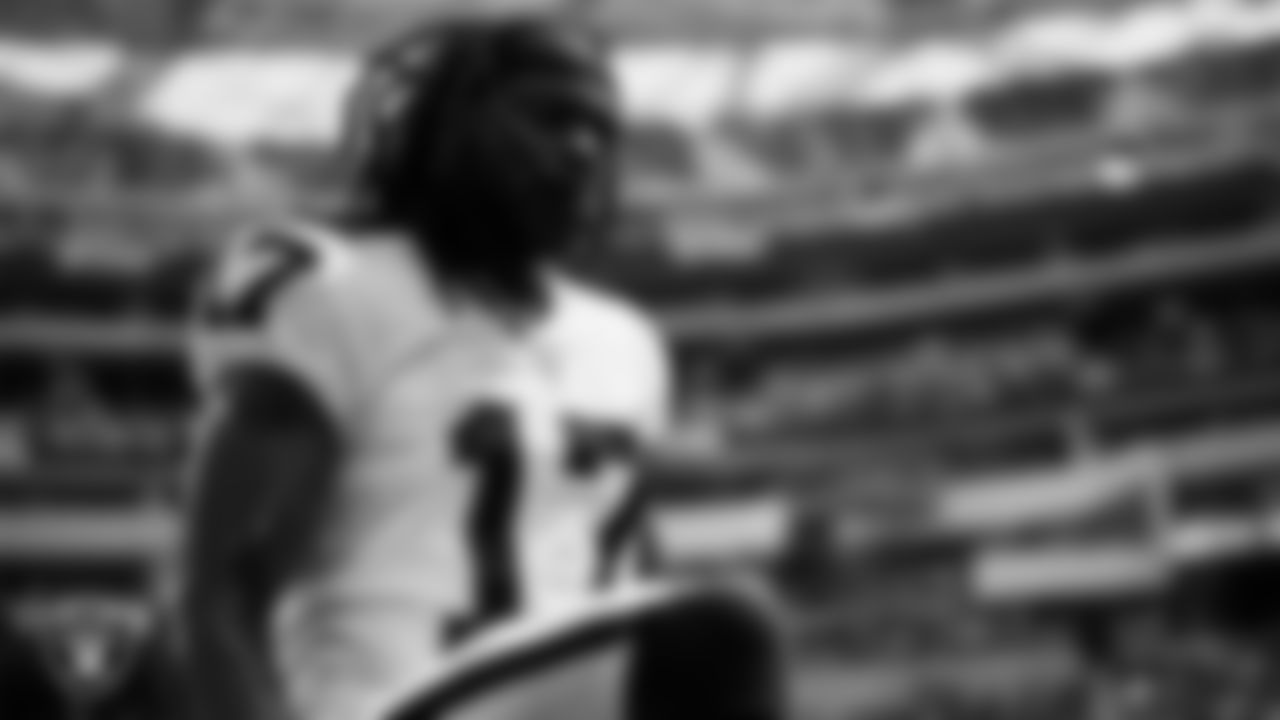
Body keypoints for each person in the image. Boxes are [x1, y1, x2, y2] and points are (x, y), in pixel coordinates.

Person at [175, 12, 785, 720]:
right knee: (721, 631)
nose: (583, 149)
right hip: (395, 700)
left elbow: (630, 585)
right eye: (551, 118)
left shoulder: (624, 343)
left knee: (697, 627)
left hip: (552, 703)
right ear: (454, 127)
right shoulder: (339, 290)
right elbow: (219, 592)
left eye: (601, 132)